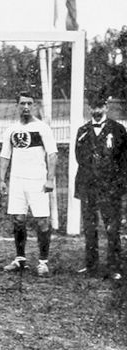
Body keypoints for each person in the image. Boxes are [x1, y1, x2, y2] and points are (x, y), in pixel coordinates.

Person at [0, 91, 57, 276]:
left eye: (29, 103)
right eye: (22, 103)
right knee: (18, 220)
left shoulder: (42, 128)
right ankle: (20, 259)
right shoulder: (11, 130)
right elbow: (5, 156)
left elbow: (52, 154)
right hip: (17, 181)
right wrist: (1, 180)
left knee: (42, 221)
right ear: (17, 105)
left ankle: (43, 262)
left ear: (34, 106)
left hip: (37, 181)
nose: (26, 107)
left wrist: (50, 178)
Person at [75, 92, 127, 280]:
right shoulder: (82, 130)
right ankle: (91, 265)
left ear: (106, 107)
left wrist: (118, 185)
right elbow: (79, 158)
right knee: (90, 227)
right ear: (89, 108)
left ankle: (114, 267)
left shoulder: (118, 129)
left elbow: (123, 160)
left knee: (112, 227)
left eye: (100, 107)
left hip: (110, 187)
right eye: (93, 107)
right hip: (89, 186)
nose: (96, 111)